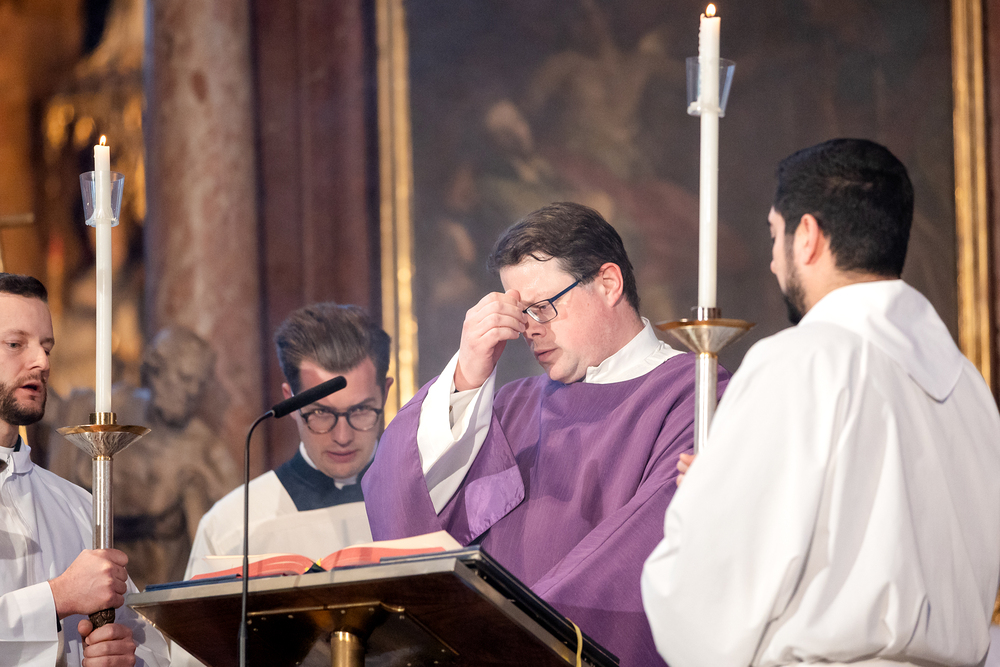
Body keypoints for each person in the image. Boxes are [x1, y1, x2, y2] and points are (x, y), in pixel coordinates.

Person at [641, 139, 1000, 666]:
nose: (772, 261)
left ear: (806, 236)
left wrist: (705, 505)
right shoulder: (968, 385)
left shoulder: (803, 360)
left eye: (774, 235)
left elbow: (712, 594)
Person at [364, 202, 721, 666]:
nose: (529, 330)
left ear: (608, 284)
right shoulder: (508, 406)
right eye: (519, 313)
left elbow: (640, 550)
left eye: (542, 307)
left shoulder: (695, 395)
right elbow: (398, 504)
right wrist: (466, 375)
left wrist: (504, 636)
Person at [171, 302, 393, 665]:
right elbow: (194, 658)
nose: (342, 436)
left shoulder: (429, 499)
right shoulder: (233, 524)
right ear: (291, 401)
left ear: (385, 392)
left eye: (360, 410)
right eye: (320, 412)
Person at [0, 272, 169, 667]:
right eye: (15, 344)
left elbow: (148, 646)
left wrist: (124, 655)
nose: (42, 362)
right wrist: (57, 597)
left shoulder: (77, 505)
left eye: (46, 347)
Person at [45, 326, 240, 588]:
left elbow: (233, 539)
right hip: (90, 582)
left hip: (162, 592)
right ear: (156, 371)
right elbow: (52, 414)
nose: (193, 391)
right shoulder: (108, 412)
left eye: (200, 383)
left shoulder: (206, 450)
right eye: (185, 378)